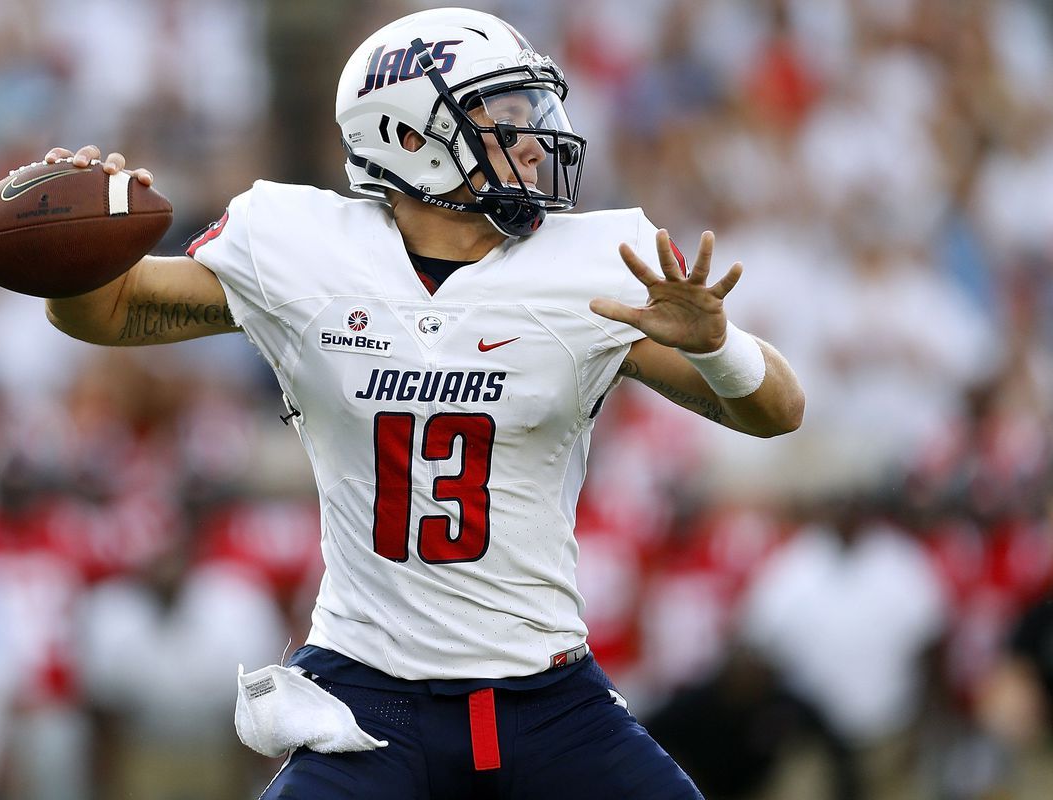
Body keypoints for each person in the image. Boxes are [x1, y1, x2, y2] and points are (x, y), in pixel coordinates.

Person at [39, 8, 804, 799]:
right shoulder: (302, 248)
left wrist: (716, 344)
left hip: (546, 699)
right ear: (408, 137)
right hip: (369, 697)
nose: (536, 140)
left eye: (531, 112)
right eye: (504, 118)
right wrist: (74, 242)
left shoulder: (593, 267)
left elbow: (779, 411)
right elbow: (104, 311)